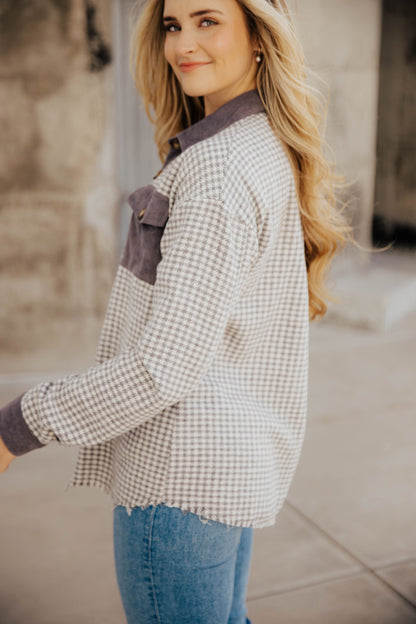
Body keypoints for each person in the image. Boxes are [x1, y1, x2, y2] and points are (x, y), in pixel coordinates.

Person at [0, 0, 351, 622]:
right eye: (172, 24)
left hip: (179, 483)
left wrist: (17, 426)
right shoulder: (259, 141)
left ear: (261, 37)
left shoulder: (216, 170)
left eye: (207, 20)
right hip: (223, 468)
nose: (183, 43)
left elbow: (160, 368)